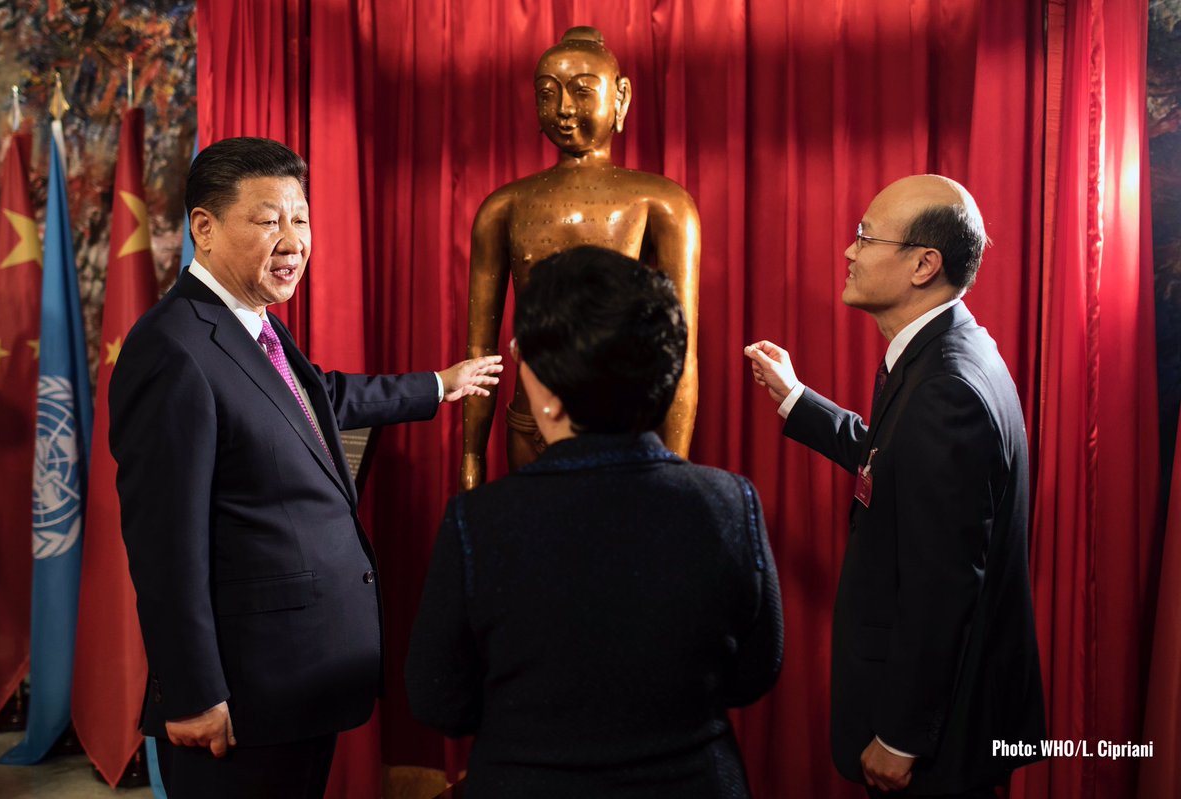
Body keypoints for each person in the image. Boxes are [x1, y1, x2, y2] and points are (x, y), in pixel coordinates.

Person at [109, 137, 502, 799]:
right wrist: (194, 691)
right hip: (238, 703)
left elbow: (318, 397)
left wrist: (437, 384)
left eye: (301, 218)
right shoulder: (172, 350)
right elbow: (164, 547)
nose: (293, 239)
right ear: (203, 228)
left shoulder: (251, 325)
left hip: (295, 688)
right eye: (269, 220)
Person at [409, 246, 782, 798]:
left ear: (552, 397)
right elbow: (754, 674)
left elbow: (440, 701)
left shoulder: (480, 521)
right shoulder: (729, 502)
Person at [744, 175, 1045, 797]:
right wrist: (799, 401)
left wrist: (902, 736)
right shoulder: (942, 350)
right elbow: (897, 459)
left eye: (864, 237)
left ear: (924, 264)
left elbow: (944, 585)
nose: (849, 252)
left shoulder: (946, 390)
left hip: (941, 735)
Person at [461, 26, 700, 490]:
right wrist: (471, 458)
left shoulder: (661, 203)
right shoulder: (504, 206)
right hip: (530, 424)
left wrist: (677, 471)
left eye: (582, 92)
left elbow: (682, 351)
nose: (565, 109)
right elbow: (480, 352)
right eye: (548, 95)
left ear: (621, 97)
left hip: (619, 425)